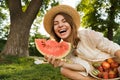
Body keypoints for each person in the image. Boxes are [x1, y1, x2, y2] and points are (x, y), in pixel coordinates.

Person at [43, 5, 120, 80]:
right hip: (95, 72)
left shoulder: (87, 34)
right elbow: (84, 66)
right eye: (56, 24)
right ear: (54, 30)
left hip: (113, 62)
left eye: (64, 21)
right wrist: (62, 63)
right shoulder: (67, 52)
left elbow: (112, 47)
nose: (60, 25)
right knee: (64, 70)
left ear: (71, 24)